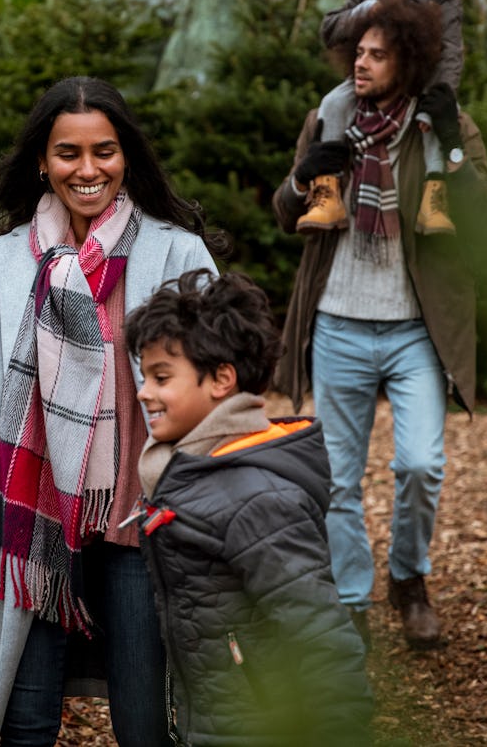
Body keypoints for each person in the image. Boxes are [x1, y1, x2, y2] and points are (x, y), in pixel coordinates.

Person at [0, 76, 223, 746]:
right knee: (24, 725)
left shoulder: (176, 253)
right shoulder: (3, 261)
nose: (88, 169)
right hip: (30, 532)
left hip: (141, 526)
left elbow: (221, 387)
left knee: (146, 723)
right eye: (69, 153)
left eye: (106, 151)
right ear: (43, 160)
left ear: (127, 157)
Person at [271, 0, 487, 651]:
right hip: (339, 322)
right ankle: (350, 603)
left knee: (422, 463)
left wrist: (450, 146)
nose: (362, 64)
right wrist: (302, 177)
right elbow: (289, 213)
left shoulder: (443, 123)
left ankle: (408, 580)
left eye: (377, 54)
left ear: (410, 58)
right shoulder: (331, 117)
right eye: (357, 52)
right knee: (340, 477)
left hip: (414, 330)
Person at [128, 268, 373, 745]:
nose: (144, 392)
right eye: (144, 376)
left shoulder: (256, 498)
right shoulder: (190, 469)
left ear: (221, 379)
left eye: (161, 377)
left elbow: (322, 634)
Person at [311, 0, 465, 237]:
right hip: (369, 79)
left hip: (420, 82)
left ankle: (434, 199)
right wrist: (368, 8)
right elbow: (330, 29)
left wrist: (442, 95)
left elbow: (451, 50)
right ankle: (327, 189)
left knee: (438, 124)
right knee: (333, 104)